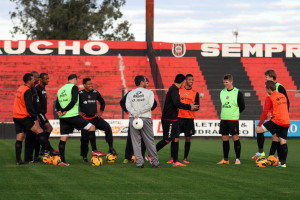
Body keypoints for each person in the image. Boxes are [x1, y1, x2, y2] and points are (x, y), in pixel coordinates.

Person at [146, 74, 199, 167]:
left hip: (174, 118)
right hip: (169, 118)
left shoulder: (174, 89)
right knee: (167, 139)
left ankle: (175, 161)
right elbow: (176, 103)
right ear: (183, 81)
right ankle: (150, 155)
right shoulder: (174, 89)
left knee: (176, 138)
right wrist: (189, 106)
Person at [55, 74, 100, 166]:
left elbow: (57, 103)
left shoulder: (60, 89)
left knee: (63, 138)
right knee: (92, 127)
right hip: (73, 115)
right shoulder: (74, 87)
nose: (77, 82)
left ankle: (63, 161)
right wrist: (65, 110)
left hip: (63, 117)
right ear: (74, 79)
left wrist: (60, 111)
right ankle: (94, 151)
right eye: (77, 80)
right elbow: (74, 100)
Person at [13, 73, 55, 165]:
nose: (34, 81)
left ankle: (18, 160)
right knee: (40, 131)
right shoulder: (28, 91)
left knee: (19, 138)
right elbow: (29, 106)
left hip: (16, 116)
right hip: (24, 117)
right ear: (28, 81)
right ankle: (50, 150)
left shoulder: (20, 88)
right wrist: (34, 118)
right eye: (32, 79)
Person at [252, 69, 290, 159]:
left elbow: (286, 101)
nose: (265, 78)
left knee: (276, 137)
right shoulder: (270, 87)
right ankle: (274, 157)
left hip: (279, 117)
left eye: (267, 76)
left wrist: (284, 114)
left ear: (272, 77)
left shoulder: (279, 87)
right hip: (276, 116)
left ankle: (269, 155)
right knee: (276, 137)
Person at [120, 77, 157, 163]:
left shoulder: (130, 93)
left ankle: (139, 162)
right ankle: (155, 162)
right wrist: (141, 112)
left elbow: (128, 105)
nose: (146, 83)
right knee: (149, 141)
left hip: (134, 118)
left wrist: (134, 113)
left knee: (135, 141)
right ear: (141, 82)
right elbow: (150, 105)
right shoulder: (149, 93)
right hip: (145, 117)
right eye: (145, 81)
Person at [79, 78, 116, 162]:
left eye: (91, 84)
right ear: (84, 85)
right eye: (89, 84)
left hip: (95, 118)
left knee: (107, 127)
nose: (91, 85)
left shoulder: (95, 92)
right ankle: (84, 157)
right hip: (85, 120)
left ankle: (111, 147)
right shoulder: (80, 94)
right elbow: (74, 103)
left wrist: (101, 112)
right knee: (84, 139)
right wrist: (78, 113)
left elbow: (102, 102)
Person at [167, 74, 199, 164]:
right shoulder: (179, 90)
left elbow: (197, 107)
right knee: (175, 137)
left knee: (188, 138)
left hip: (189, 119)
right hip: (179, 117)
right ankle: (172, 158)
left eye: (192, 80)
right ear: (185, 81)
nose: (191, 81)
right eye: (189, 80)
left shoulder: (195, 92)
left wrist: (194, 107)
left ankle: (185, 158)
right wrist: (188, 106)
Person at [217, 74, 245, 165]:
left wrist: (235, 113)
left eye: (227, 82)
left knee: (235, 137)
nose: (225, 84)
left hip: (233, 119)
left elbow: (242, 106)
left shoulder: (238, 92)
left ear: (231, 81)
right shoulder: (222, 92)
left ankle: (237, 159)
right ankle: (226, 159)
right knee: (224, 138)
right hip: (224, 119)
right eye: (224, 82)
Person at [24, 71, 41, 162]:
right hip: (31, 117)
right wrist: (34, 116)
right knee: (30, 138)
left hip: (35, 115)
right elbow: (29, 105)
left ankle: (33, 157)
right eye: (36, 78)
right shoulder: (29, 89)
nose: (38, 79)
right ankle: (28, 158)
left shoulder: (34, 88)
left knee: (34, 137)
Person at [36, 73, 53, 153]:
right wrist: (37, 115)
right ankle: (44, 147)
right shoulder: (38, 89)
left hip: (42, 113)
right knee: (49, 128)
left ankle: (42, 149)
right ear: (41, 80)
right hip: (39, 113)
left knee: (42, 132)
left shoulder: (43, 89)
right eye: (46, 79)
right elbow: (35, 103)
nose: (47, 80)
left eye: (48, 78)